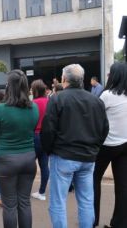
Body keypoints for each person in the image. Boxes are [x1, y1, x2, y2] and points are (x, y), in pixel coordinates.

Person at [41, 64, 109, 228]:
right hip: (87, 157)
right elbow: (104, 128)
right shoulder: (96, 101)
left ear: (64, 80)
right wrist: (95, 148)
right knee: (86, 201)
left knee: (58, 202)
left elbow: (48, 130)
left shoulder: (57, 99)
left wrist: (49, 151)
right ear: (82, 80)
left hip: (63, 156)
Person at [0, 70, 39, 228]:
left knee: (10, 205)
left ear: (8, 86)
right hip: (29, 158)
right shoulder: (34, 108)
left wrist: (3, 151)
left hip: (6, 160)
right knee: (24, 202)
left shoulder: (0, 109)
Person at [93, 62, 127, 228]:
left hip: (107, 145)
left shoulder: (106, 95)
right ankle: (119, 223)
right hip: (125, 144)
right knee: (122, 185)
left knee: (94, 179)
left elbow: (95, 119)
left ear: (114, 76)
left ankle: (92, 219)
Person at [30, 80, 50, 201]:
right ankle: (42, 192)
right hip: (47, 136)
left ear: (35, 90)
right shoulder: (50, 102)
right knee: (44, 165)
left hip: (34, 135)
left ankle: (25, 191)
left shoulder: (33, 103)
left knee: (30, 166)